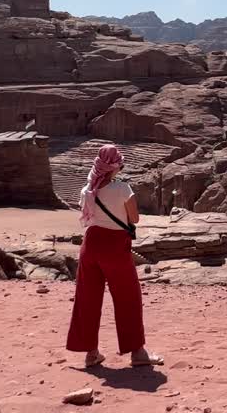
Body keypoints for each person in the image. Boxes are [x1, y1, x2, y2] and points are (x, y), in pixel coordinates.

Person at [65, 144, 164, 368]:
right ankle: (137, 353)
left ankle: (90, 353)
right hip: (115, 245)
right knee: (127, 298)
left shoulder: (86, 190)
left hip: (90, 245)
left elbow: (88, 216)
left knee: (87, 298)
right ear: (115, 166)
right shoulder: (122, 189)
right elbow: (135, 218)